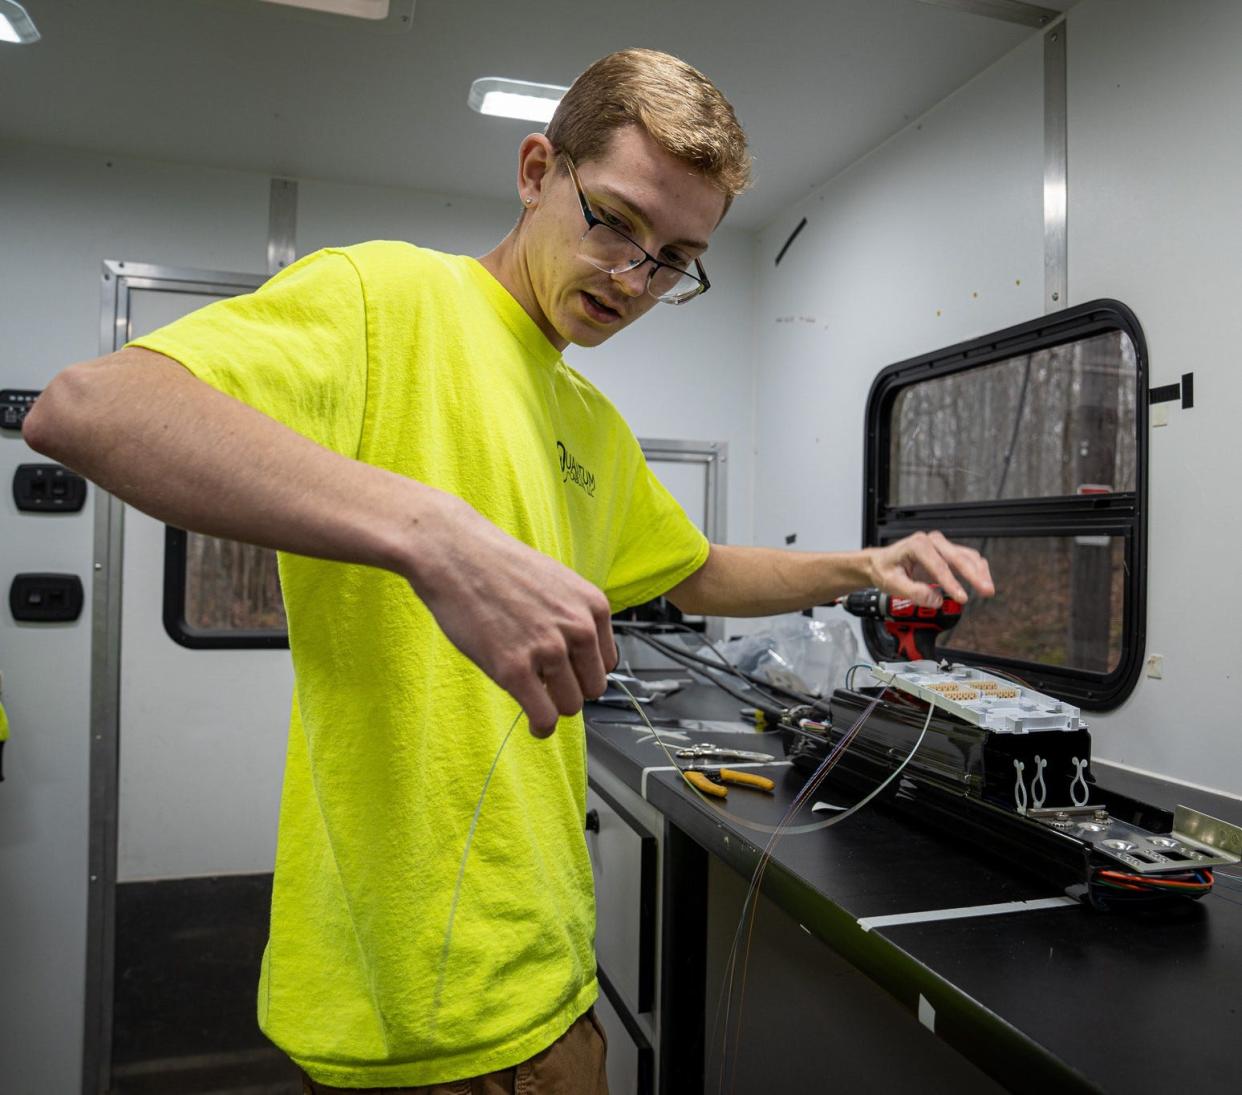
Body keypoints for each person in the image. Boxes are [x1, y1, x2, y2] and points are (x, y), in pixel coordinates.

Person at [24, 47, 992, 1094]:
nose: (633, 276)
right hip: (414, 1005)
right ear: (538, 172)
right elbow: (91, 409)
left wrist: (866, 564)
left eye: (674, 259)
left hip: (551, 970)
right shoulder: (387, 295)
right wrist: (435, 533)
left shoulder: (590, 422)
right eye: (614, 221)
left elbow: (701, 569)